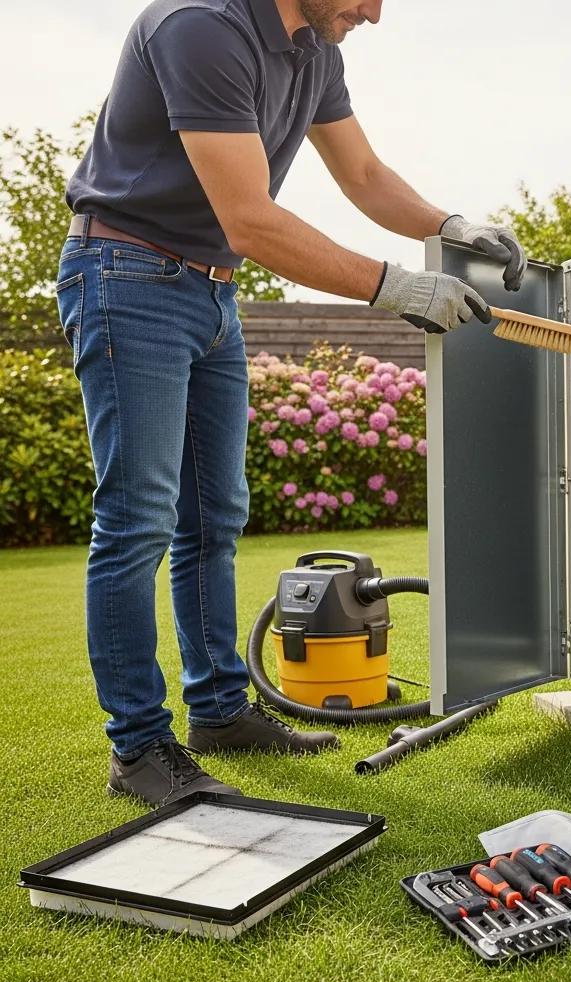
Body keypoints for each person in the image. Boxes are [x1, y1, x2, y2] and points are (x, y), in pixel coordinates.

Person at [57, 0, 525, 807]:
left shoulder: (316, 51)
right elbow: (250, 220)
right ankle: (138, 748)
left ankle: (218, 712)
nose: (374, 13)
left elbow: (364, 175)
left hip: (212, 294)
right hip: (127, 278)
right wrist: (398, 287)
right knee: (138, 519)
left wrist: (451, 226)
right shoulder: (200, 25)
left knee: (215, 517)